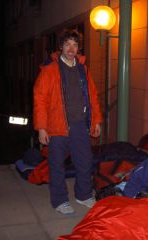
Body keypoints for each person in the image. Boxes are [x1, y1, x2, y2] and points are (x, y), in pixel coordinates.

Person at [33, 29, 102, 215]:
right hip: (57, 126)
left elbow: (93, 96)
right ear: (61, 47)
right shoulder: (49, 69)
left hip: (80, 124)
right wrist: (41, 128)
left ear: (78, 48)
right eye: (67, 44)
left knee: (85, 162)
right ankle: (59, 200)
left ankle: (84, 194)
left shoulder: (83, 69)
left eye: (75, 44)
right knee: (56, 165)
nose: (71, 48)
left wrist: (96, 121)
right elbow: (39, 99)